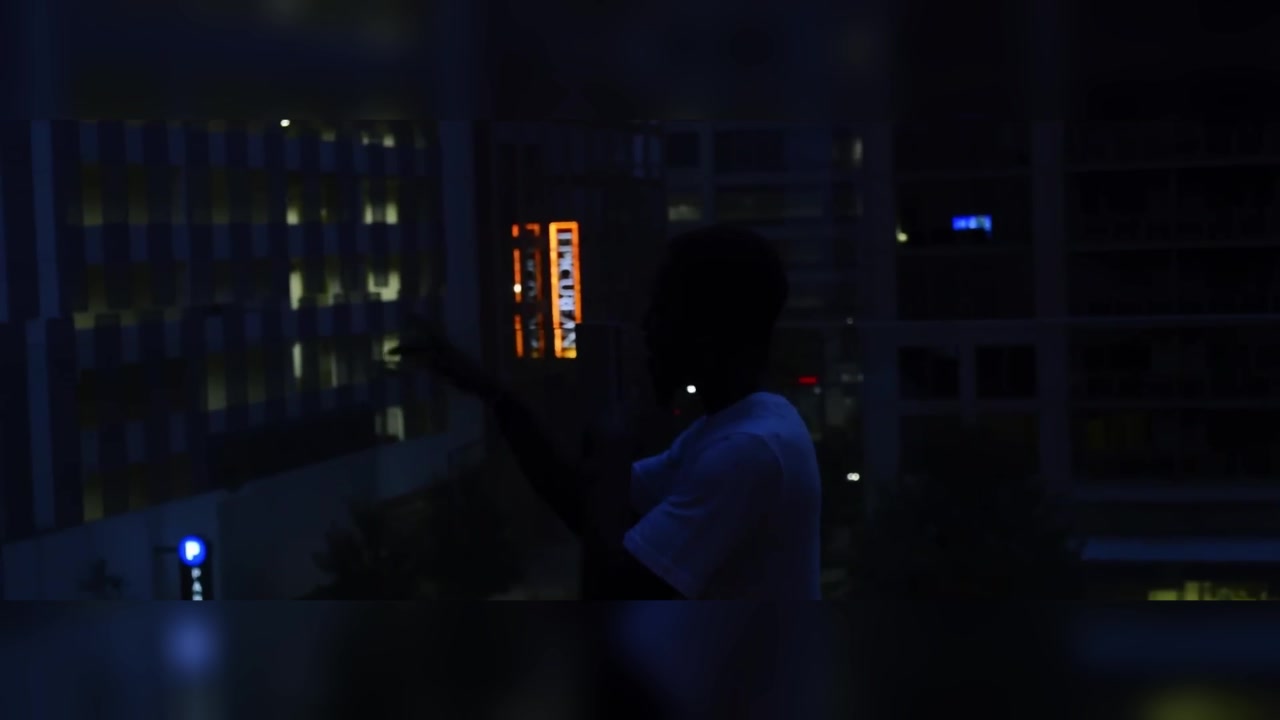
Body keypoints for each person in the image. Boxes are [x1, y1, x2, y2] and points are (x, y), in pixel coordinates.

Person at [392, 223, 822, 601]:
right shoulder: (738, 428)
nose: (647, 327)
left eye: (664, 310)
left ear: (710, 329)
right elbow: (588, 506)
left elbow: (613, 593)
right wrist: (496, 396)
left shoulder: (747, 451)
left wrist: (611, 453)